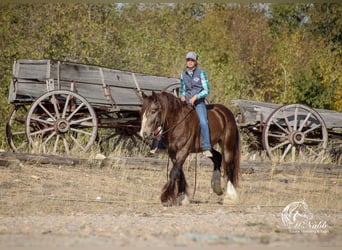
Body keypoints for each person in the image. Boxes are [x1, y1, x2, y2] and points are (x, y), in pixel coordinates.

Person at [179, 51, 212, 157]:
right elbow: (182, 89)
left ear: (196, 62)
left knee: (203, 121)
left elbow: (206, 90)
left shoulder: (201, 73)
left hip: (198, 103)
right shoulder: (183, 75)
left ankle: (206, 147)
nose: (190, 62)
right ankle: (161, 144)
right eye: (188, 60)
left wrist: (196, 97)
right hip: (186, 103)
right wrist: (182, 95)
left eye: (192, 60)